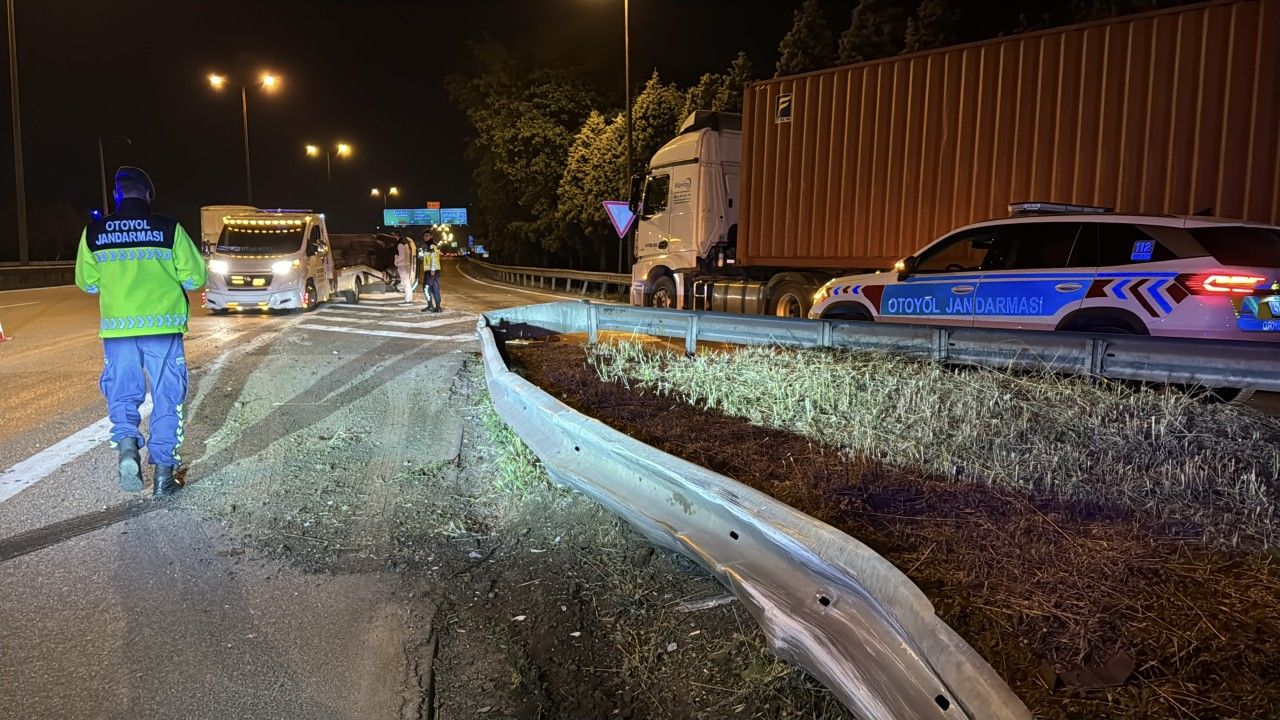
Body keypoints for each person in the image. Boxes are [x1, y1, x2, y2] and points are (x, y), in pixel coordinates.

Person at [74, 167, 207, 496]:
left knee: (122, 392)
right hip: (162, 328)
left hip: (118, 331)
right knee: (167, 395)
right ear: (148, 195)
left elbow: (87, 283)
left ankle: (127, 448)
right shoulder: (169, 229)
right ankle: (163, 474)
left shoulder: (94, 232)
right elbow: (196, 278)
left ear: (116, 195)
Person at [420, 230, 442, 313]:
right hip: (435, 270)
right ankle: (438, 307)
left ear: (431, 236)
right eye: (424, 236)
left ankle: (430, 306)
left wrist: (432, 269)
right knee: (435, 288)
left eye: (427, 235)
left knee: (426, 288)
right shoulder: (430, 245)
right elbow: (425, 258)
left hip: (431, 271)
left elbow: (433, 258)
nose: (425, 237)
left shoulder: (431, 245)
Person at [393, 230, 417, 304]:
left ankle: (408, 300)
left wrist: (396, 262)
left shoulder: (400, 244)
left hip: (402, 265)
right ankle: (408, 299)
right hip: (405, 265)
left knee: (406, 283)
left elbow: (402, 256)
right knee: (406, 283)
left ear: (395, 235)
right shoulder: (405, 243)